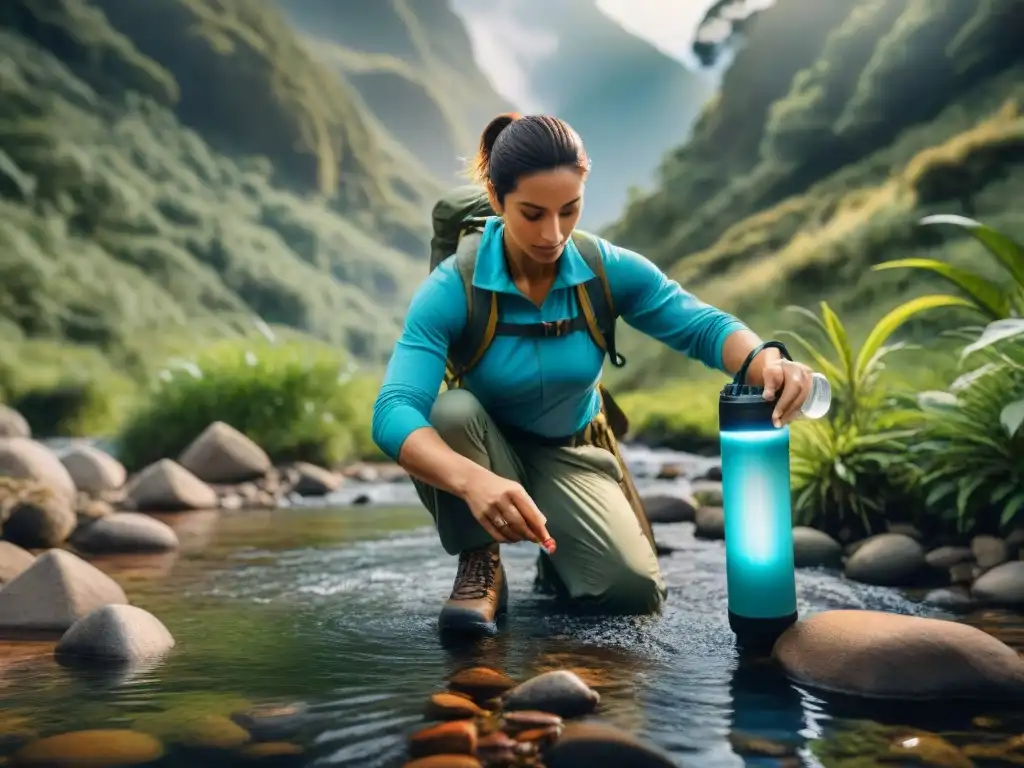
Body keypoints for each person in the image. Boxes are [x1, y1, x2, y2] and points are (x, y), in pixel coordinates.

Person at [371, 113, 816, 636]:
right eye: (532, 214)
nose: (552, 234)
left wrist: (764, 360)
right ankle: (480, 562)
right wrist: (472, 480)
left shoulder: (605, 269)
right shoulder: (453, 287)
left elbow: (701, 325)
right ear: (496, 198)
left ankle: (558, 561)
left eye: (570, 210)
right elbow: (392, 410)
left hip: (571, 449)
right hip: (480, 449)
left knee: (630, 595)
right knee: (450, 411)